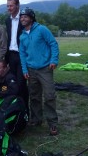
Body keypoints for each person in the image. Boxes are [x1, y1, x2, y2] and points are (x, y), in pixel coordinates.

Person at [18, 8, 59, 136]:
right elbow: (22, 54)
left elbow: (53, 44)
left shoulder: (41, 29)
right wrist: (24, 69)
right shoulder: (22, 35)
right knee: (34, 96)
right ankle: (36, 119)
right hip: (31, 70)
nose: (23, 19)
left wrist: (54, 60)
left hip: (45, 68)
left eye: (25, 16)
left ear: (31, 18)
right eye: (21, 17)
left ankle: (52, 123)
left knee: (49, 96)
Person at [5, 0, 29, 110]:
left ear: (17, 6)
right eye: (8, 5)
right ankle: (14, 109)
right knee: (12, 83)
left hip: (22, 55)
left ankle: (25, 111)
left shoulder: (24, 18)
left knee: (21, 84)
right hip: (11, 55)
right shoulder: (7, 20)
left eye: (11, 5)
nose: (9, 8)